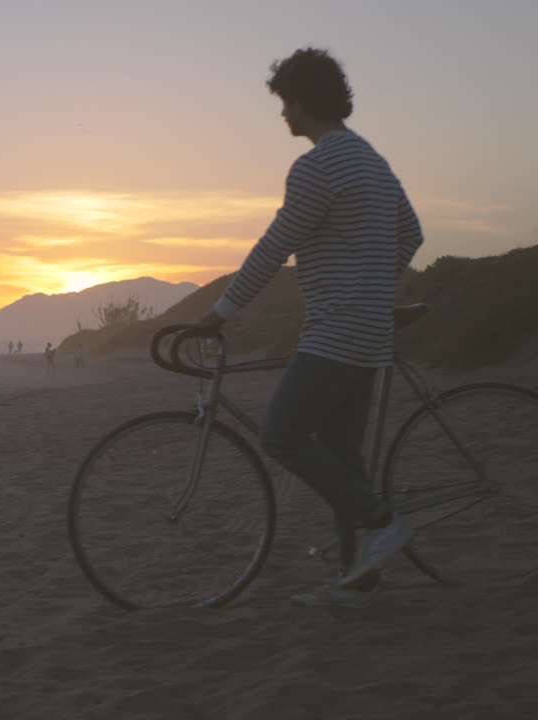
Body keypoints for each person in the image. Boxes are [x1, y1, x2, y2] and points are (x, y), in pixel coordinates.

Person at [193, 48, 423, 608]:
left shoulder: (318, 166)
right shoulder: (370, 159)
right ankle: (357, 577)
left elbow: (274, 247)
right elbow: (412, 233)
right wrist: (376, 285)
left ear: (303, 101)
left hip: (338, 328)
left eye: (286, 102)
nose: (282, 114)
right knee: (342, 454)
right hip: (367, 330)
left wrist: (221, 311)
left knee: (281, 435)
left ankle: (381, 521)